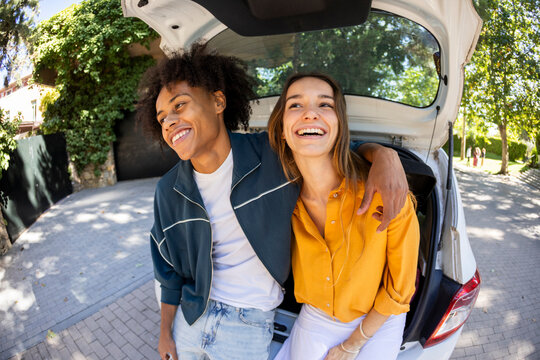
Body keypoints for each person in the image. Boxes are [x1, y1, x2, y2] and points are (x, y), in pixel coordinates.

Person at [136, 43, 409, 360]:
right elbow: (167, 272)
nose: (169, 121)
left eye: (180, 106)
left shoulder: (273, 153)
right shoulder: (168, 190)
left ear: (218, 100)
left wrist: (384, 155)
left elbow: (330, 145)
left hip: (249, 324)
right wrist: (164, 334)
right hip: (191, 318)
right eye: (162, 117)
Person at [268, 73, 420, 360]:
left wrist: (351, 345)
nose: (310, 113)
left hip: (380, 321)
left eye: (325, 105)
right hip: (315, 317)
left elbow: (401, 291)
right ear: (283, 131)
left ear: (339, 127)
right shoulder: (280, 198)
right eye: (295, 105)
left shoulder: (387, 193)